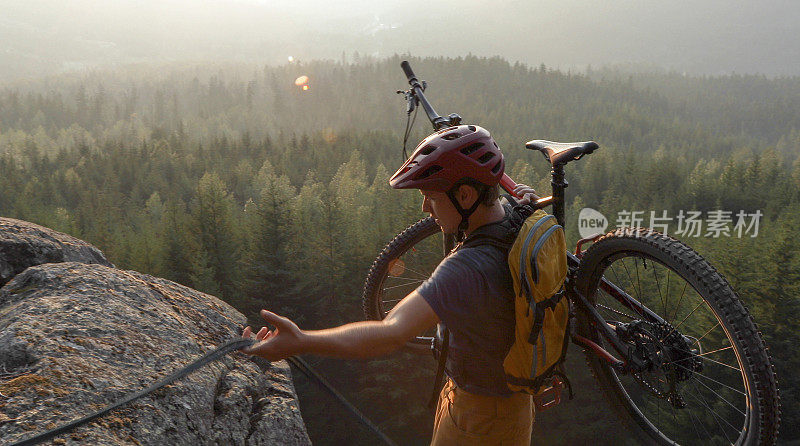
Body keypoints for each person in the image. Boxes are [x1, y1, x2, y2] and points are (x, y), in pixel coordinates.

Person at [241, 125, 539, 445]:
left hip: (478, 419)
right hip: (511, 407)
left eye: (431, 197)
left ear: (466, 195)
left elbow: (389, 333)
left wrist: (300, 340)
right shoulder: (517, 216)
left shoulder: (466, 270)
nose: (425, 208)